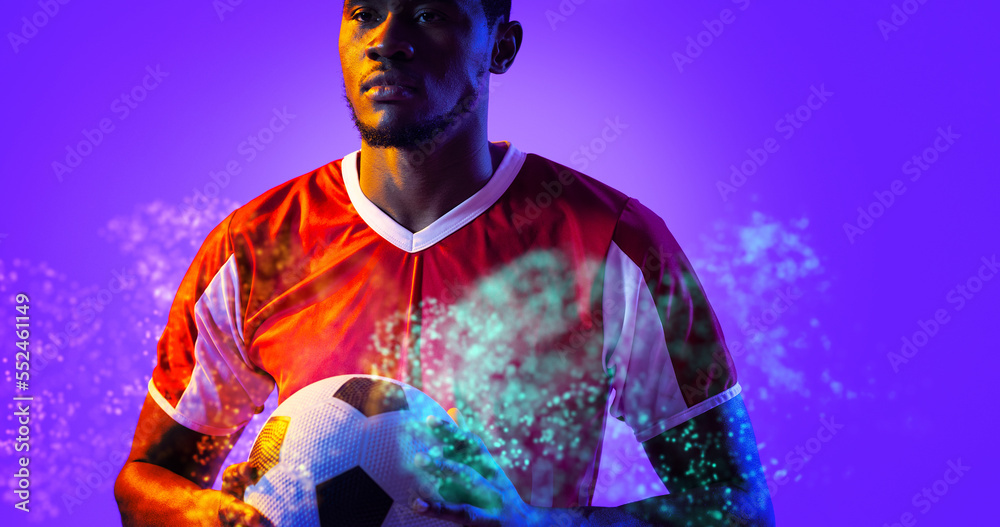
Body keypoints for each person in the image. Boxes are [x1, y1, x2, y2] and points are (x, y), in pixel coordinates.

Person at [114, 1, 776, 525]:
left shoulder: (612, 244)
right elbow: (146, 478)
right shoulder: (257, 245)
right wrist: (209, 519)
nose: (387, 38)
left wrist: (538, 525)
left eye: (429, 13)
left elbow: (739, 508)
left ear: (501, 46)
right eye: (365, 11)